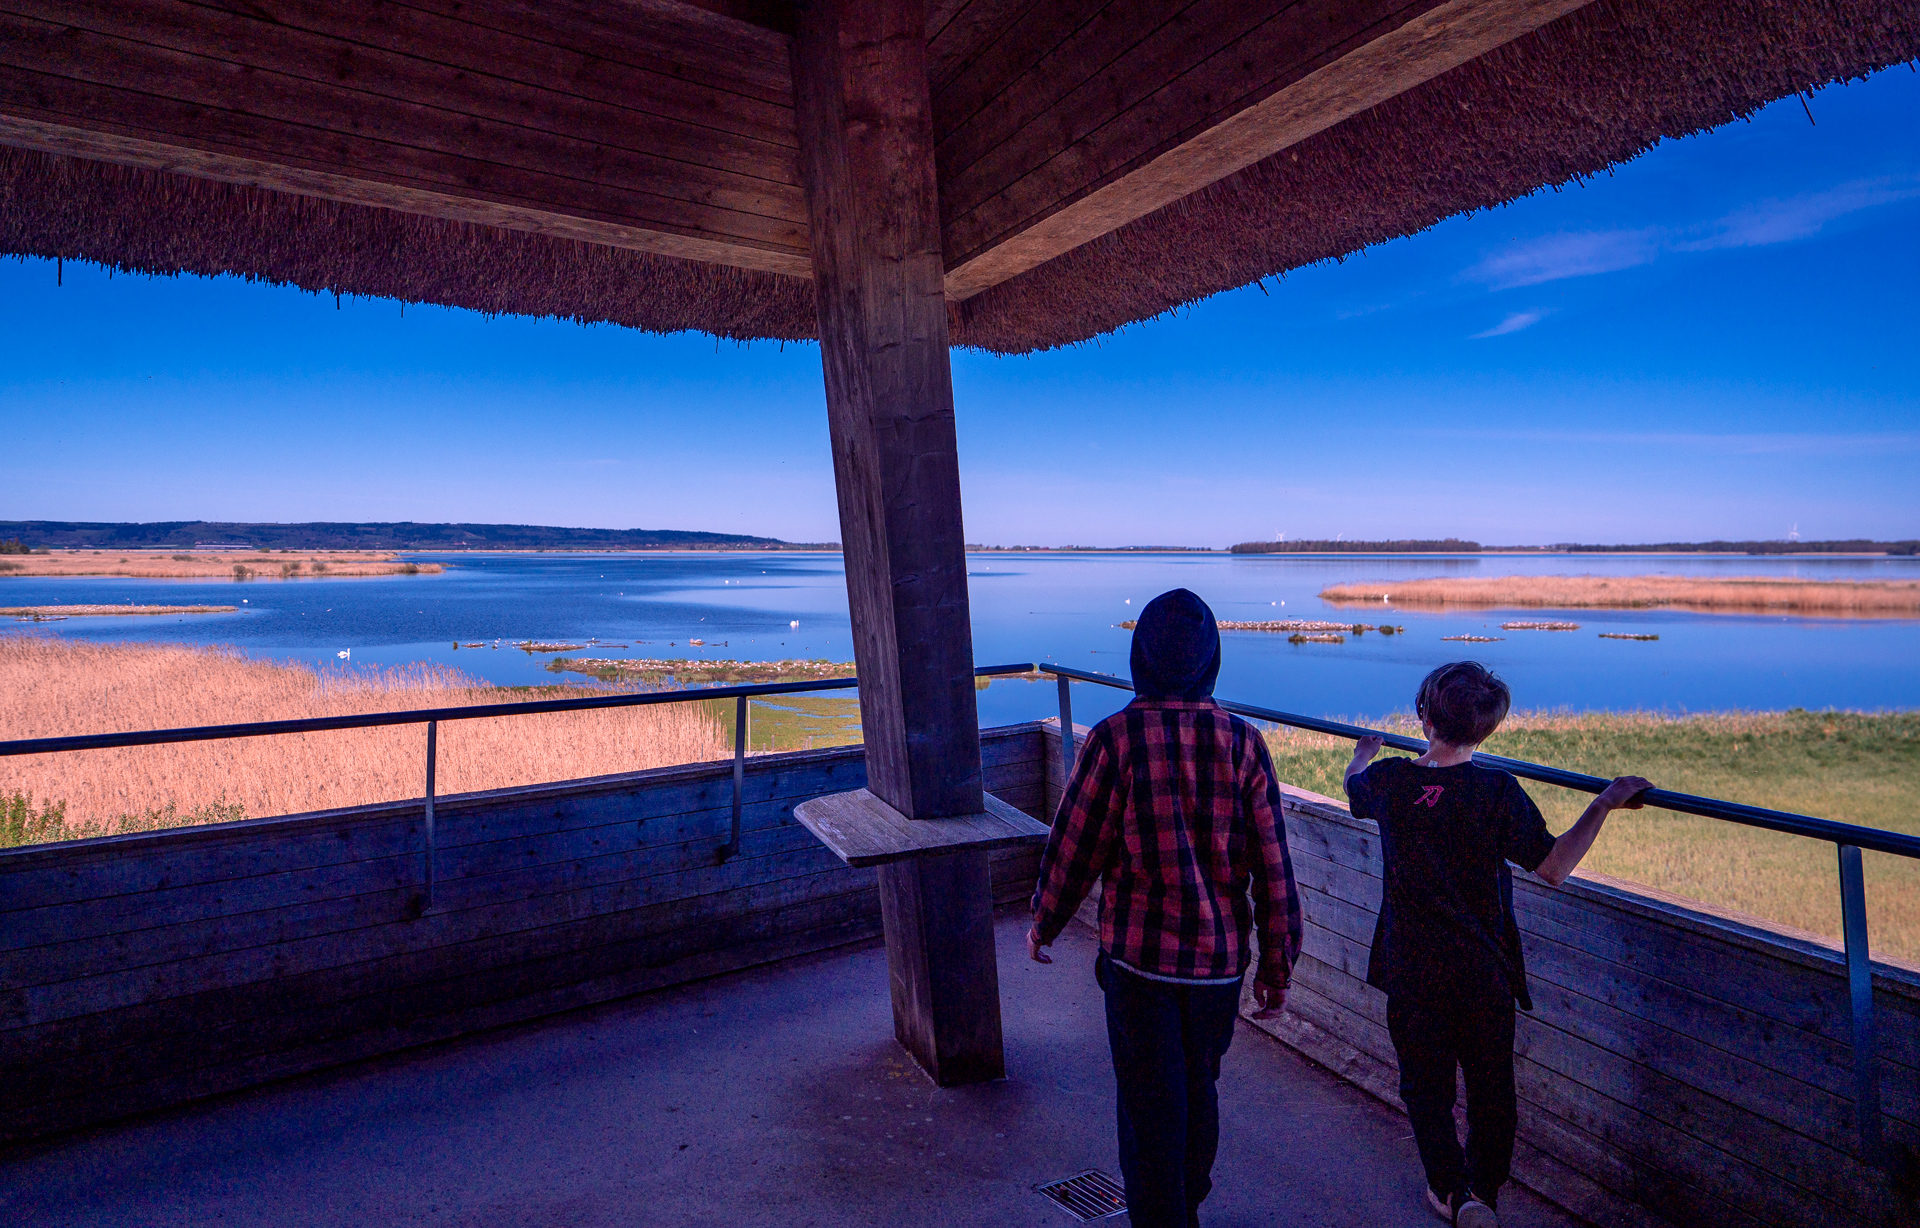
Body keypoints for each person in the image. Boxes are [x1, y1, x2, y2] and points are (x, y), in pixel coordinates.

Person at [1027, 589, 1301, 1228]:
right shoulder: (1245, 744)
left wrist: (1045, 918)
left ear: (1139, 658)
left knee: (1150, 1105)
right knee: (1199, 1091)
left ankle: (1164, 1217)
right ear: (1212, 661)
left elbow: (1076, 845)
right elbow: (1275, 869)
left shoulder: (1114, 740)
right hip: (1219, 971)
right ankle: (1187, 1204)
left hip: (1138, 968)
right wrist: (1276, 969)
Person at [1343, 661, 1651, 1228]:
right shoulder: (1496, 791)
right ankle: (1482, 1189)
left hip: (1411, 969)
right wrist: (1602, 803)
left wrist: (1362, 754)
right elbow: (1554, 867)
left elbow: (1354, 789)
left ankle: (1451, 1191)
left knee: (1425, 1088)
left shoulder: (1388, 780)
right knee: (1491, 1087)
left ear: (1424, 716)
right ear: (1487, 729)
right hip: (1482, 971)